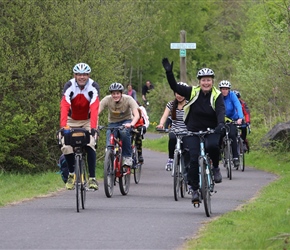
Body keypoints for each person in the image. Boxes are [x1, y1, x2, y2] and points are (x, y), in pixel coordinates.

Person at [162, 58, 225, 204]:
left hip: (211, 129)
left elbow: (221, 111)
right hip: (193, 130)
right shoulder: (192, 92)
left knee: (212, 146)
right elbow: (175, 87)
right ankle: (195, 189)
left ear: (212, 81)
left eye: (208, 80)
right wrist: (169, 73)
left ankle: (215, 168)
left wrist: (221, 124)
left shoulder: (217, 95)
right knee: (193, 158)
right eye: (203, 80)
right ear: (199, 81)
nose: (206, 83)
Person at [60, 62, 99, 190]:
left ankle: (92, 178)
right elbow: (64, 105)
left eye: (84, 74)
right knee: (66, 146)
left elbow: (94, 107)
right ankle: (72, 174)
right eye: (79, 74)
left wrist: (93, 128)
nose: (82, 77)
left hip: (87, 120)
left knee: (90, 144)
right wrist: (63, 126)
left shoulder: (93, 86)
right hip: (71, 120)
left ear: (88, 75)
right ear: (75, 75)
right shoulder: (69, 85)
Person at [98, 82, 140, 167]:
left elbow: (137, 115)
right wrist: (94, 124)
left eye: (117, 93)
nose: (115, 95)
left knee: (124, 132)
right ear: (111, 94)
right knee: (109, 137)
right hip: (113, 123)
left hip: (126, 121)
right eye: (113, 93)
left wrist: (131, 124)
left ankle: (127, 157)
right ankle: (109, 157)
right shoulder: (107, 99)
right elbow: (96, 113)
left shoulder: (128, 99)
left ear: (121, 93)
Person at [156, 82, 188, 171]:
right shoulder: (171, 104)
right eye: (177, 93)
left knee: (187, 148)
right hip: (175, 130)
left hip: (187, 131)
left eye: (182, 93)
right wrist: (161, 124)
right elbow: (165, 116)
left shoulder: (190, 104)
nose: (179, 96)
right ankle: (170, 159)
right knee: (172, 138)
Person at [218, 80, 244, 168]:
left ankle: (236, 157)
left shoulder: (232, 95)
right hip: (221, 120)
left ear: (229, 89)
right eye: (223, 89)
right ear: (220, 90)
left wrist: (240, 117)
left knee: (233, 134)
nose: (224, 91)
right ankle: (219, 153)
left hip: (231, 119)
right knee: (219, 134)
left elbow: (238, 105)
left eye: (226, 89)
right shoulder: (218, 96)